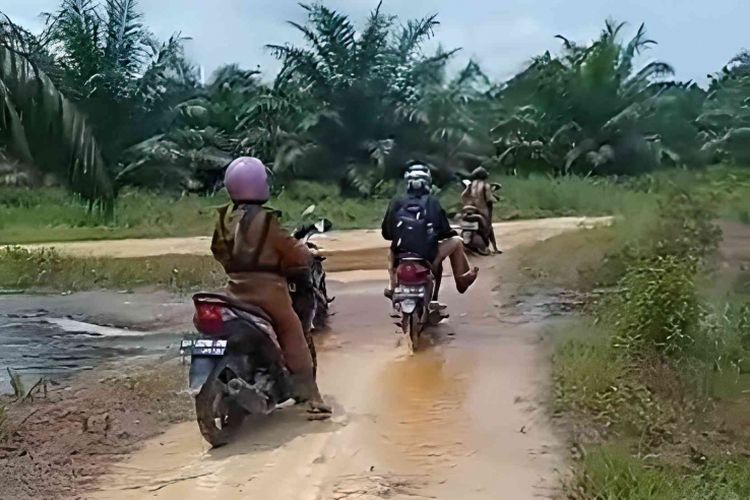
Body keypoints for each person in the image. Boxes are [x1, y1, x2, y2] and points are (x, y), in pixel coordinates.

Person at [210, 156, 330, 417]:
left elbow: (217, 251)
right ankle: (313, 398)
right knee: (293, 333)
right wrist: (307, 256)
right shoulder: (266, 221)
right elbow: (294, 253)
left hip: (234, 291)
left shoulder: (224, 219)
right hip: (267, 292)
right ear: (259, 184)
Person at [382, 164, 479, 299]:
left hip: (400, 257)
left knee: (390, 251)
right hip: (427, 256)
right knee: (457, 241)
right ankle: (461, 280)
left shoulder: (396, 202)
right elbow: (444, 231)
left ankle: (392, 286)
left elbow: (386, 233)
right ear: (427, 182)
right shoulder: (432, 202)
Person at [461, 166, 501, 254]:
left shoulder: (471, 185)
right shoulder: (485, 185)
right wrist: (496, 199)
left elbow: (463, 196)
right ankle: (495, 248)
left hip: (471, 210)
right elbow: (489, 198)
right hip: (483, 210)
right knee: (489, 227)